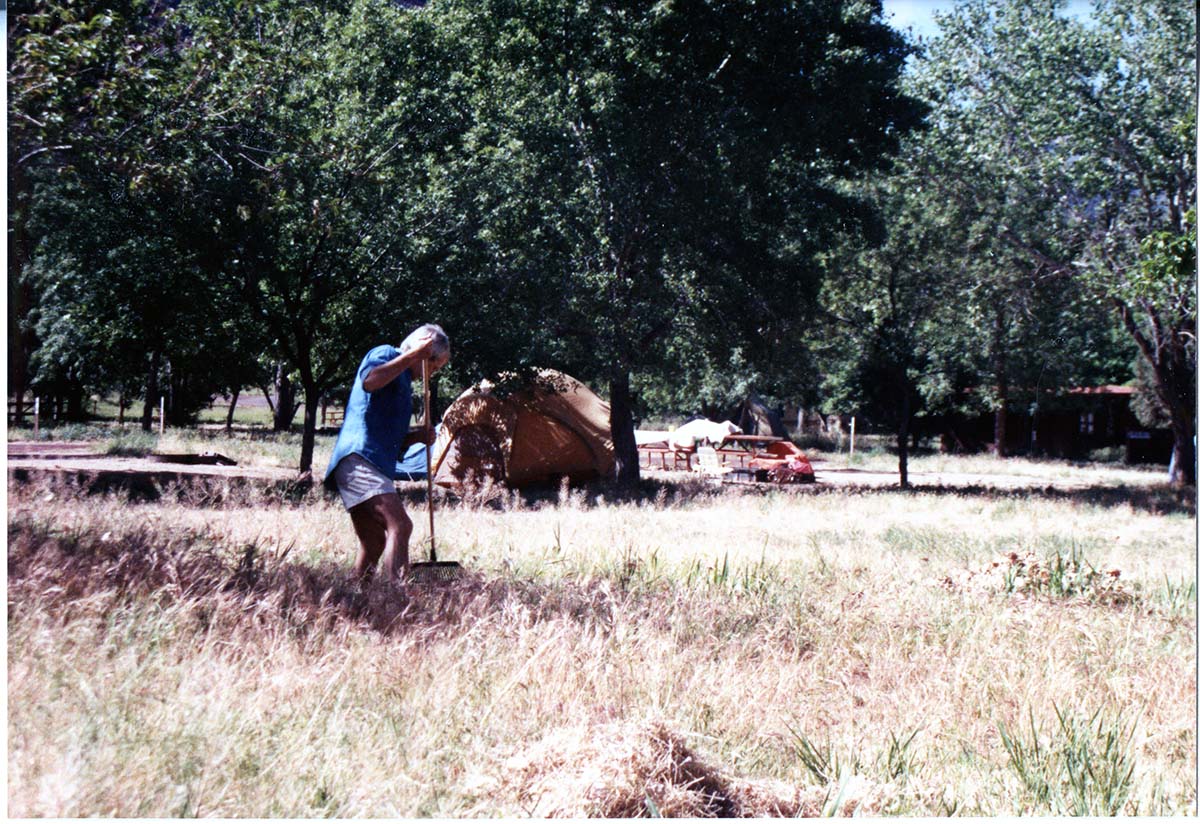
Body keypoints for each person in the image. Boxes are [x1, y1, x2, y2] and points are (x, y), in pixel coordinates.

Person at [324, 324, 450, 584]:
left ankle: (354, 596)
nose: (432, 374)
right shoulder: (386, 354)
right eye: (433, 366)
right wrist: (413, 355)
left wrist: (416, 437)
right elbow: (369, 381)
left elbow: (387, 435)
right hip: (359, 458)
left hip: (370, 462)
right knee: (401, 526)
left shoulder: (402, 379)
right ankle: (396, 597)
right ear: (422, 349)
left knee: (373, 542)